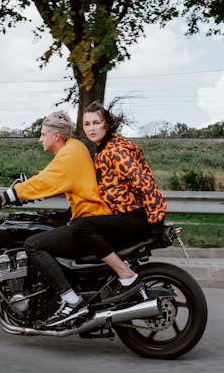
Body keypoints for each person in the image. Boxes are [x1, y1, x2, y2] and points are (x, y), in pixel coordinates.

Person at [0, 111, 111, 327]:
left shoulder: (68, 155)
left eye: (43, 134)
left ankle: (71, 300)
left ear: (56, 136)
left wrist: (7, 196)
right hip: (89, 217)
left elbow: (44, 182)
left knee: (33, 245)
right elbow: (54, 180)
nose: (40, 139)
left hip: (90, 221)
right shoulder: (75, 147)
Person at [72, 99, 168, 300]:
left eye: (96, 123)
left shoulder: (115, 151)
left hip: (133, 217)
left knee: (82, 228)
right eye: (87, 124)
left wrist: (156, 221)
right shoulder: (103, 150)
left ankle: (125, 274)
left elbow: (146, 185)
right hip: (122, 216)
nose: (91, 128)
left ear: (106, 124)